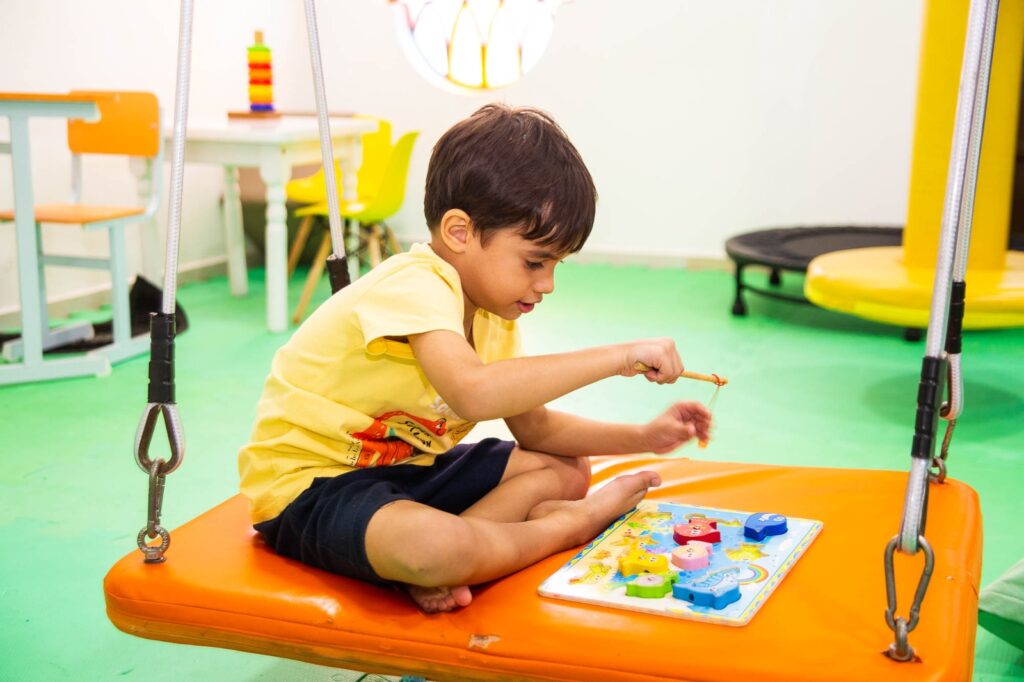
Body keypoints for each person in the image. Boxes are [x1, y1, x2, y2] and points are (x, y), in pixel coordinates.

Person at [238, 103, 711, 613]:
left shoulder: (492, 316)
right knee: (433, 545)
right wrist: (619, 356)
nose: (547, 283)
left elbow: (537, 430)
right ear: (459, 232)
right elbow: (473, 391)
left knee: (567, 469)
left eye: (555, 265)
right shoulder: (414, 283)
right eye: (535, 261)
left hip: (410, 471)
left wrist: (644, 438)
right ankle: (556, 531)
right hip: (313, 485)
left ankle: (460, 554)